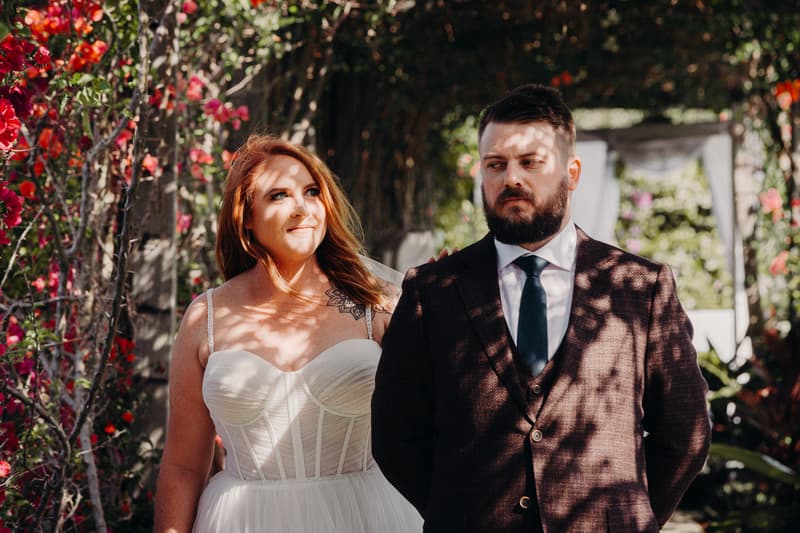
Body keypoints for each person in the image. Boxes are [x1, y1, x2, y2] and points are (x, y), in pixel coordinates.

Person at [371, 84, 711, 532]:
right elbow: (395, 435)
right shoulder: (432, 290)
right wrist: (456, 512)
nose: (511, 178)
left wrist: (628, 518)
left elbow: (685, 432)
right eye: (496, 164)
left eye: (530, 162)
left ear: (572, 172)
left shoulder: (640, 287)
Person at [154, 134, 422, 532]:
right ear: (246, 216)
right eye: (279, 195)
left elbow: (431, 429)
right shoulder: (206, 317)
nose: (302, 208)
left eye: (312, 192)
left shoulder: (376, 305)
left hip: (365, 516)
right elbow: (183, 466)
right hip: (242, 522)